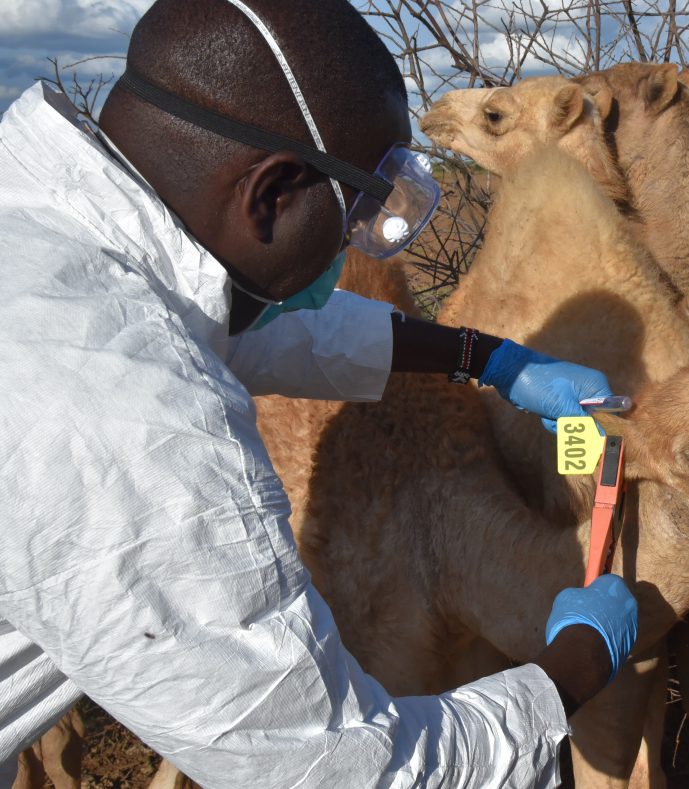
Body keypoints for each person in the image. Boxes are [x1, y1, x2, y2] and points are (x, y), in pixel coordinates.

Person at [0, 0, 638, 786]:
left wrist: (491, 358)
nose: (354, 249)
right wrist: (568, 671)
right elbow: (332, 767)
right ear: (270, 194)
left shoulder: (48, 232)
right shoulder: (134, 420)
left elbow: (273, 330)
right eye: (358, 217)